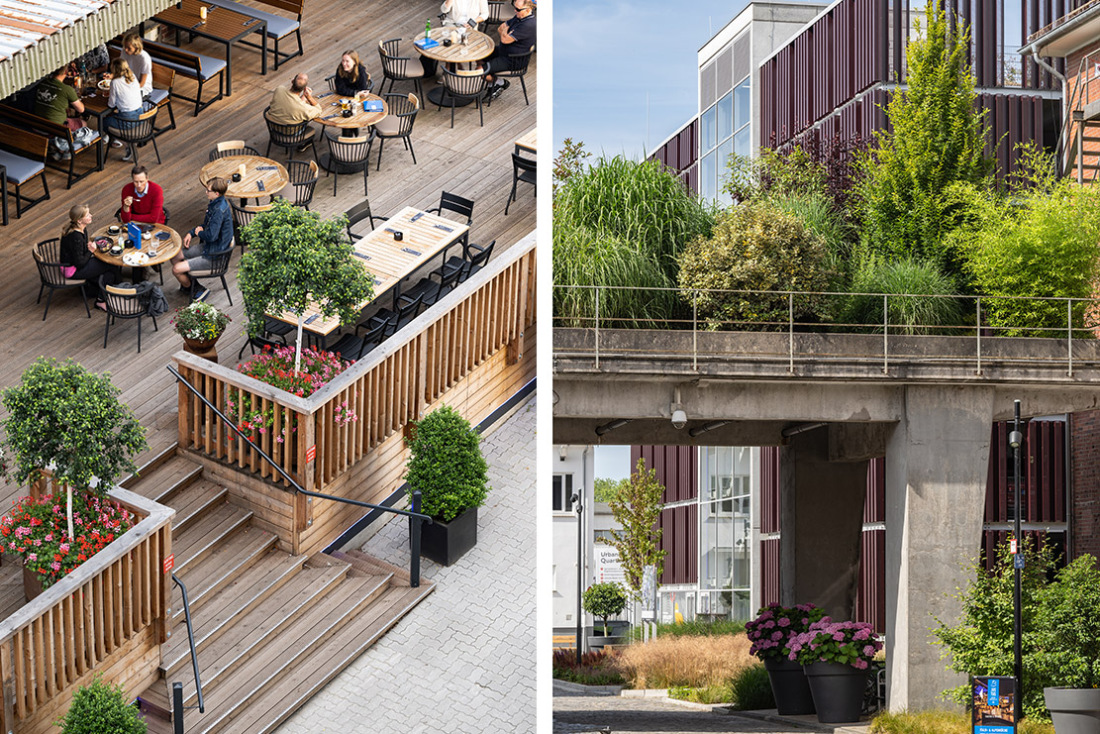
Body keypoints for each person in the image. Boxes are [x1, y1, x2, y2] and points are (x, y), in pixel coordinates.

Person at [172, 177, 233, 301]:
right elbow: (205, 226)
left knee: (176, 269)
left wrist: (199, 233)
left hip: (214, 256)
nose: (206, 192)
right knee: (174, 255)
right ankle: (191, 285)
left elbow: (211, 236)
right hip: (209, 247)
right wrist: (191, 233)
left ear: (216, 193)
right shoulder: (215, 203)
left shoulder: (219, 210)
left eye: (208, 190)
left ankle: (195, 290)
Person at [59, 205, 120, 311]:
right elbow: (79, 263)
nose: (91, 216)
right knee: (111, 264)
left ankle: (103, 295)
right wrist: (91, 251)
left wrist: (88, 249)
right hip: (72, 270)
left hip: (77, 263)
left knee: (108, 275)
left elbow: (80, 253)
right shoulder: (76, 237)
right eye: (87, 215)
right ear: (79, 220)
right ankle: (114, 294)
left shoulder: (82, 229)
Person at [483, 0, 536, 100]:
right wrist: (507, 32)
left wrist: (506, 32)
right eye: (515, 8)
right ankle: (495, 84)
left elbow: (504, 39)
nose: (515, 11)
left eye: (518, 9)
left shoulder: (528, 25)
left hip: (513, 60)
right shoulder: (520, 17)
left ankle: (500, 83)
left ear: (528, 10)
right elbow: (500, 28)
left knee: (480, 72)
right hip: (504, 51)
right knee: (482, 55)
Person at [104, 58, 144, 161]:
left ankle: (127, 144)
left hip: (128, 120)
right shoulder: (132, 76)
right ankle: (115, 139)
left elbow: (111, 104)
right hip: (140, 115)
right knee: (112, 117)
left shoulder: (115, 82)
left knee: (104, 122)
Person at [120, 32, 154, 101]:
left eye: (128, 48)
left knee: (122, 97)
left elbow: (142, 83)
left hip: (142, 87)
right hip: (129, 81)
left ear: (136, 47)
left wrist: (128, 89)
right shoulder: (124, 52)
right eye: (125, 46)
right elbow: (121, 68)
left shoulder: (144, 58)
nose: (125, 50)